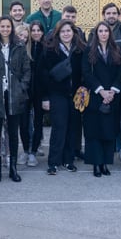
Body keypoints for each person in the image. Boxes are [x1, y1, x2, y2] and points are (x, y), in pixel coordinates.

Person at [38, 20, 85, 175]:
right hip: (57, 94)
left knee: (73, 128)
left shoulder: (79, 50)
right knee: (59, 128)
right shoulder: (50, 50)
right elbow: (43, 75)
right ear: (58, 34)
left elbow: (84, 73)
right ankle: (54, 162)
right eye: (63, 31)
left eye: (69, 31)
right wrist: (45, 97)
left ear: (73, 33)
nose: (66, 34)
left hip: (75, 95)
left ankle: (68, 160)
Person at [0, 16, 29, 183]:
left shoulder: (19, 46)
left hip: (14, 94)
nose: (5, 29)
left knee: (13, 133)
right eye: (2, 26)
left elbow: (27, 70)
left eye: (8, 26)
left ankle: (13, 168)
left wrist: (21, 87)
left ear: (12, 28)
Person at [83, 22, 121, 177]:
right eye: (101, 31)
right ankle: (96, 164)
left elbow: (120, 73)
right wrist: (101, 91)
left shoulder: (116, 50)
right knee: (94, 133)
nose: (104, 33)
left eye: (106, 31)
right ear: (96, 33)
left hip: (112, 97)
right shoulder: (89, 51)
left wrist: (112, 91)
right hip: (95, 96)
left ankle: (105, 163)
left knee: (108, 132)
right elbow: (86, 73)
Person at [22, 20, 46, 165]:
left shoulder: (47, 48)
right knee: (24, 123)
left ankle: (33, 152)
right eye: (34, 30)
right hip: (25, 92)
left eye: (39, 30)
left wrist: (46, 96)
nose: (36, 33)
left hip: (40, 92)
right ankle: (25, 150)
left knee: (38, 123)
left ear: (42, 32)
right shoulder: (24, 47)